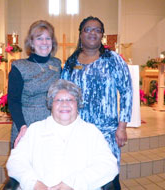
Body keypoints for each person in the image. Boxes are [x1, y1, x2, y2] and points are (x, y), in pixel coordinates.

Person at [6, 79, 118, 190]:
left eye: (70, 100)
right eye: (58, 100)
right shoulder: (35, 129)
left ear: (77, 104)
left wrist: (73, 184)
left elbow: (108, 165)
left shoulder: (91, 132)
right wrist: (34, 184)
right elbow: (16, 161)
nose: (64, 104)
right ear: (51, 105)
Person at [61, 16, 133, 189]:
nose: (92, 32)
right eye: (88, 29)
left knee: (108, 176)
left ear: (102, 35)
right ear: (80, 34)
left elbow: (127, 93)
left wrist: (122, 127)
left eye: (97, 30)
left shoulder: (113, 60)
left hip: (106, 132)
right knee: (81, 175)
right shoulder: (71, 62)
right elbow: (62, 95)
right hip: (77, 130)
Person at [8, 20, 61, 148]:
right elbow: (13, 101)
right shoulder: (19, 67)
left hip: (51, 123)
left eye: (48, 38)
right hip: (27, 123)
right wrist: (22, 126)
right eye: (39, 38)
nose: (44, 42)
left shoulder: (57, 64)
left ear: (52, 42)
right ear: (31, 42)